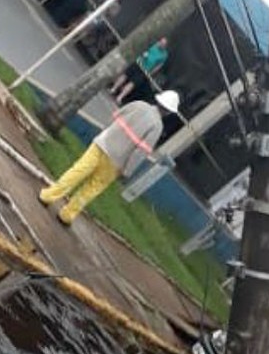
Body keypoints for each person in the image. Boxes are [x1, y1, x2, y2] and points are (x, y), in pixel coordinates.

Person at [38, 91, 182, 225]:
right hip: (116, 161)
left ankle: (48, 195)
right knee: (92, 188)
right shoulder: (157, 126)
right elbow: (140, 152)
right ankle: (67, 215)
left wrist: (104, 134)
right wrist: (127, 171)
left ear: (158, 100)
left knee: (77, 171)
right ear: (169, 111)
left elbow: (114, 117)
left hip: (102, 144)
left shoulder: (139, 104)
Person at [109, 37, 170, 103]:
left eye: (163, 44)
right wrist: (143, 54)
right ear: (159, 41)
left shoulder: (164, 55)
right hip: (138, 63)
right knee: (125, 75)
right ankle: (113, 89)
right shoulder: (153, 44)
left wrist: (151, 73)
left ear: (165, 46)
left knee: (132, 84)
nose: (161, 44)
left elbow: (159, 66)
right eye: (161, 42)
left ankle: (120, 97)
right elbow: (141, 48)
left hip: (145, 71)